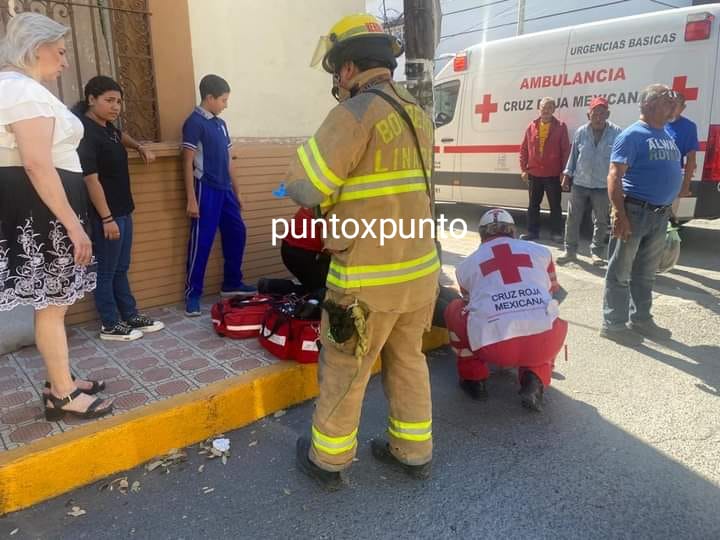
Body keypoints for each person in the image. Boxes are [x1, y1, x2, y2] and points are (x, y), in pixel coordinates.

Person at [286, 14, 439, 489]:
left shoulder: (353, 114)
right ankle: (413, 451)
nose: (337, 81)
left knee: (346, 370)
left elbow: (305, 187)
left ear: (349, 68)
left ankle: (328, 461)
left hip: (366, 280)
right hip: (420, 274)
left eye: (337, 72)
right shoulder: (418, 112)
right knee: (408, 360)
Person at [0, 13, 113, 420]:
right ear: (36, 47)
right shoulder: (22, 92)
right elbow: (37, 164)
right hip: (44, 210)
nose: (65, 62)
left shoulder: (20, 89)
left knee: (55, 302)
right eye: (61, 52)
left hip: (43, 207)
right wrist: (73, 224)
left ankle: (60, 378)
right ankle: (62, 394)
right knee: (52, 303)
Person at [444, 209, 568, 412]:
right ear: (512, 231)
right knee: (546, 312)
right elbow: (554, 294)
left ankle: (474, 378)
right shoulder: (541, 252)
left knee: (454, 309)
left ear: (482, 234)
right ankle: (535, 375)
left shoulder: (466, 266)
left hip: (495, 347)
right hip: (545, 342)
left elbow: (472, 307)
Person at [74, 76, 165, 341]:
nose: (116, 106)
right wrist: (107, 218)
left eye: (119, 102)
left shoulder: (107, 127)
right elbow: (91, 179)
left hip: (123, 211)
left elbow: (119, 135)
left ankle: (130, 314)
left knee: (122, 267)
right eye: (109, 100)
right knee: (107, 270)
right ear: (91, 99)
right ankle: (110, 324)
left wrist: (139, 146)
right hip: (108, 216)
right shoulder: (85, 133)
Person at [601, 84, 681, 346]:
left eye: (672, 101)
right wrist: (619, 214)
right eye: (666, 101)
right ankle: (613, 324)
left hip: (659, 215)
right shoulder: (632, 135)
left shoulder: (666, 133)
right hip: (635, 212)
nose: (672, 105)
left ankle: (642, 319)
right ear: (648, 105)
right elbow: (615, 175)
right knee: (620, 271)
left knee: (646, 273)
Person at [182, 74, 256, 317]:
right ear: (209, 97)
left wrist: (238, 191)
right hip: (205, 188)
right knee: (201, 241)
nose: (226, 104)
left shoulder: (220, 125)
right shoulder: (194, 123)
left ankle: (232, 282)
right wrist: (191, 198)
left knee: (238, 231)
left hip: (225, 191)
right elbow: (187, 161)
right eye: (223, 100)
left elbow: (229, 160)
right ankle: (193, 294)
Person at [557, 97, 622, 266]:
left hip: (602, 184)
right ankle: (570, 251)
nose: (599, 116)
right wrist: (567, 174)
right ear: (588, 114)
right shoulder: (581, 132)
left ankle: (596, 253)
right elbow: (574, 156)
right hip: (580, 182)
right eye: (595, 113)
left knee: (601, 220)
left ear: (608, 114)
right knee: (573, 218)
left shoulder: (617, 133)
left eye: (602, 113)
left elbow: (620, 160)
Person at [519, 97, 570, 243]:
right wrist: (524, 169)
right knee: (533, 205)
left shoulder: (561, 126)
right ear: (539, 109)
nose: (545, 110)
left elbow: (565, 151)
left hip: (553, 174)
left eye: (549, 107)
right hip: (535, 173)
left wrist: (564, 173)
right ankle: (532, 232)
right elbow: (523, 149)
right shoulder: (531, 126)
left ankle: (556, 233)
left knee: (555, 205)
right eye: (543, 107)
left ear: (554, 110)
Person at [665, 92, 699, 200]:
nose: (672, 107)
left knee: (668, 215)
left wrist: (685, 186)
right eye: (670, 104)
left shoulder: (688, 127)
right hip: (650, 178)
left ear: (683, 108)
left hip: (671, 181)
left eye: (676, 104)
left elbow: (691, 159)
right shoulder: (655, 122)